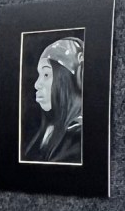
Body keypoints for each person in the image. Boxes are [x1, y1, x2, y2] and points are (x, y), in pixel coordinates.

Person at [24, 36, 84, 164]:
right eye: (39, 75)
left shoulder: (77, 137)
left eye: (46, 74)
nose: (37, 84)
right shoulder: (48, 130)